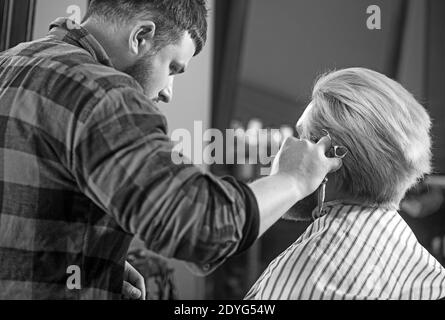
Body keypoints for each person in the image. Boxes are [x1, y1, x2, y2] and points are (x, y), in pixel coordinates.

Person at [0, 0, 341, 299]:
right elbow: (201, 228)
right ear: (141, 36)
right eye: (173, 68)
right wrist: (291, 179)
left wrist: (92, 260)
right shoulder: (105, 94)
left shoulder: (10, 63)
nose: (168, 93)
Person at [245, 68, 445, 300]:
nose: (288, 147)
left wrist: (283, 182)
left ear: (329, 157)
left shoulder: (315, 276)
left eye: (301, 137)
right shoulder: (418, 266)